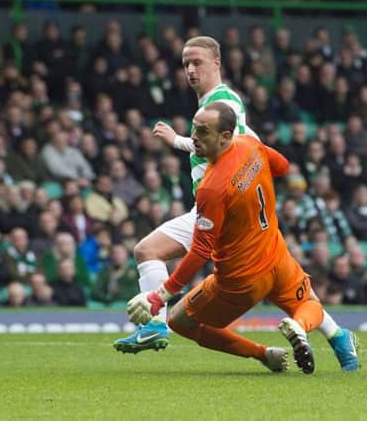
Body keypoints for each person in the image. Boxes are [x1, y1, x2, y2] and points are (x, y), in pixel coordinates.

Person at [114, 36, 358, 372]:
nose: (190, 69)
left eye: (197, 61)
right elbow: (250, 144)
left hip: (220, 208)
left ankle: (155, 321)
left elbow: (230, 144)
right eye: (186, 63)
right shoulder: (217, 109)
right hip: (235, 210)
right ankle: (338, 337)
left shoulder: (223, 101)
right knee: (286, 288)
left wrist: (178, 141)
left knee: (149, 253)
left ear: (217, 62)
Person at [127, 103, 329, 374]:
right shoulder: (249, 144)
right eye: (194, 129)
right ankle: (299, 327)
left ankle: (263, 354)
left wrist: (160, 295)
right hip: (277, 257)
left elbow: (200, 250)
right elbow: (282, 166)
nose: (195, 137)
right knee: (310, 304)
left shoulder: (211, 188)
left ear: (224, 136)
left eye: (203, 131)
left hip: (240, 280)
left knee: (179, 322)